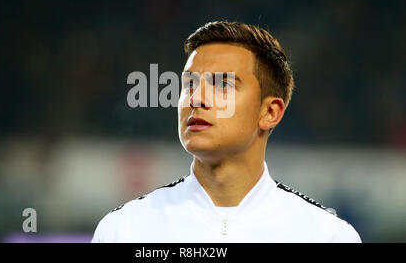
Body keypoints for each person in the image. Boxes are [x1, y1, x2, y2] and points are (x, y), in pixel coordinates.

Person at [92, 21, 361, 242]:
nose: (196, 99)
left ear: (270, 113)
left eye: (222, 85)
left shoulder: (327, 236)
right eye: (189, 84)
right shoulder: (123, 231)